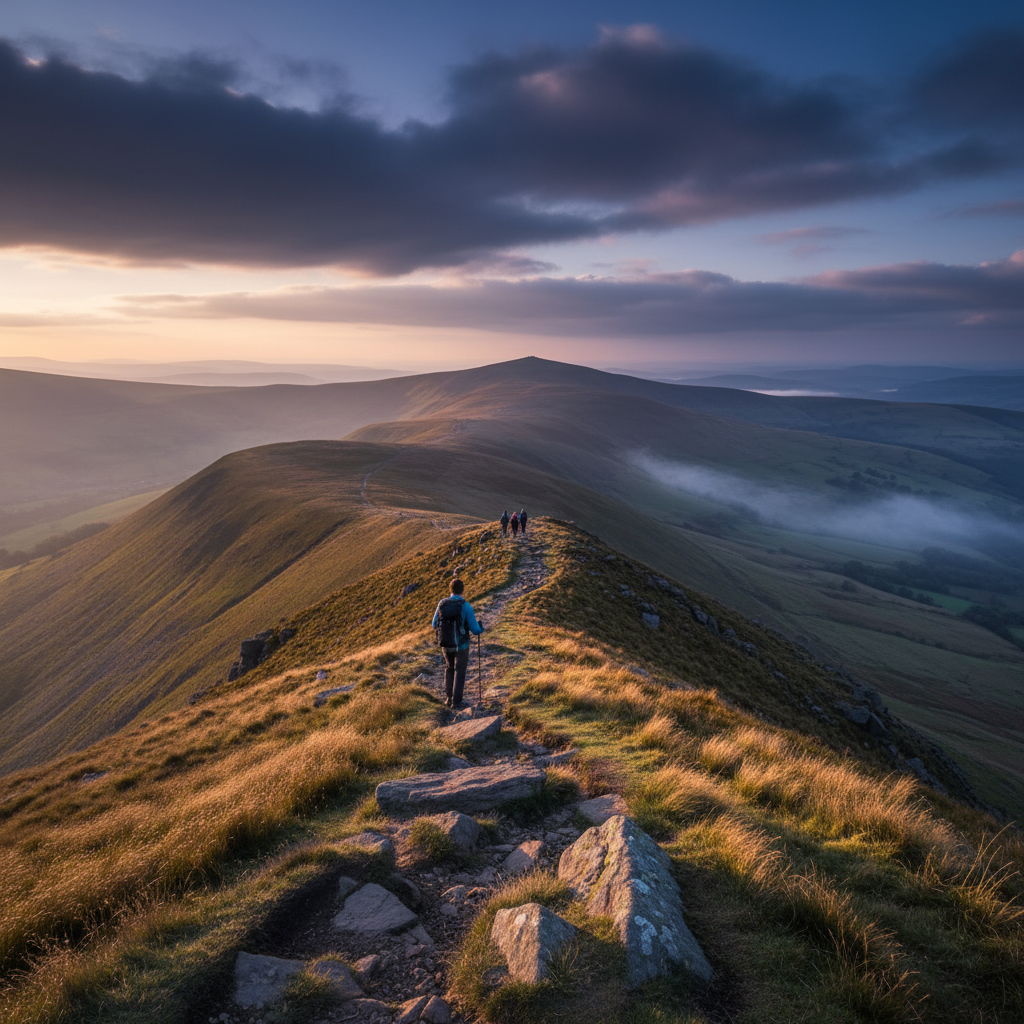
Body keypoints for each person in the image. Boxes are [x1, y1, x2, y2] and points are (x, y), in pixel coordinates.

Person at [431, 578, 484, 708]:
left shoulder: (442, 604)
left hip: (446, 643)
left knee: (449, 668)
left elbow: (434, 624)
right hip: (462, 645)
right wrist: (481, 628)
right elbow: (475, 630)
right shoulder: (465, 606)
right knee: (460, 671)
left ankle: (448, 699)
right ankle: (457, 701)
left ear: (450, 590)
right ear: (462, 590)